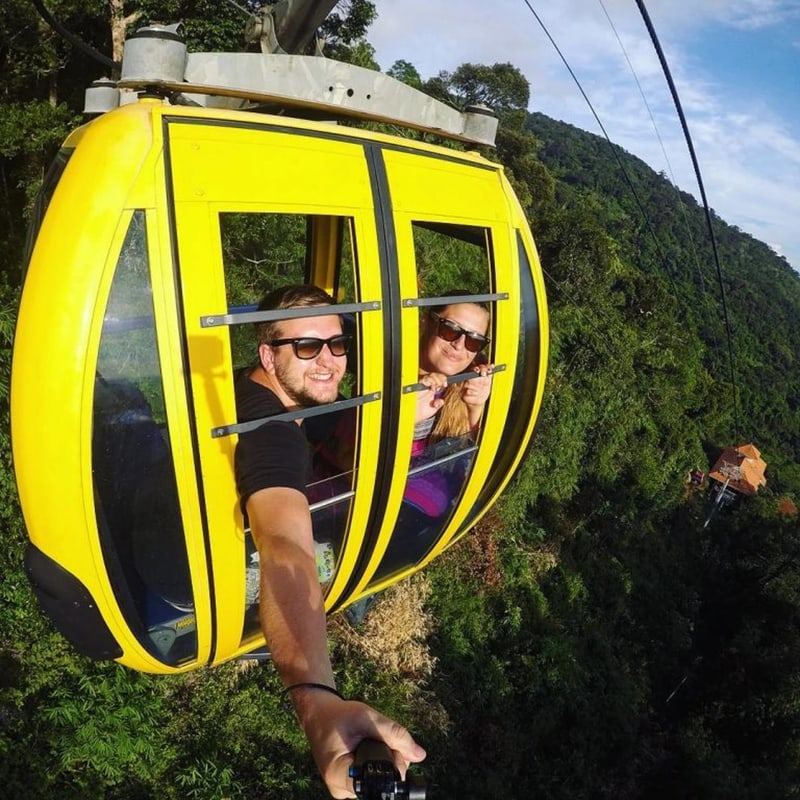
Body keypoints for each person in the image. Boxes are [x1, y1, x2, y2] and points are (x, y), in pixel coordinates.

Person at [234, 284, 426, 798]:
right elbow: (284, 550)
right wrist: (316, 701)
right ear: (268, 356)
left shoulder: (253, 392)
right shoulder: (273, 433)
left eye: (337, 344)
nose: (328, 361)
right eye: (306, 347)